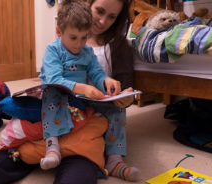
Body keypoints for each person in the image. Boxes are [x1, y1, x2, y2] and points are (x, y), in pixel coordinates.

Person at [37, 0, 121, 170]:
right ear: (59, 31)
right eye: (73, 37)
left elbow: (96, 73)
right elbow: (53, 79)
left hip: (81, 99)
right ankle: (52, 148)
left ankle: (115, 159)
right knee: (50, 93)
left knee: (116, 107)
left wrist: (106, 81)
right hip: (59, 95)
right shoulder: (53, 50)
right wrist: (82, 88)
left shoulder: (87, 52)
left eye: (84, 37)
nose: (79, 43)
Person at [87, 0, 140, 181]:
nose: (102, 22)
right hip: (74, 108)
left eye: (111, 17)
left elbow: (126, 85)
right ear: (88, 4)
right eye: (99, 11)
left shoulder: (118, 45)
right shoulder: (71, 36)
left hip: (104, 111)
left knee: (117, 109)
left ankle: (114, 160)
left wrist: (126, 97)